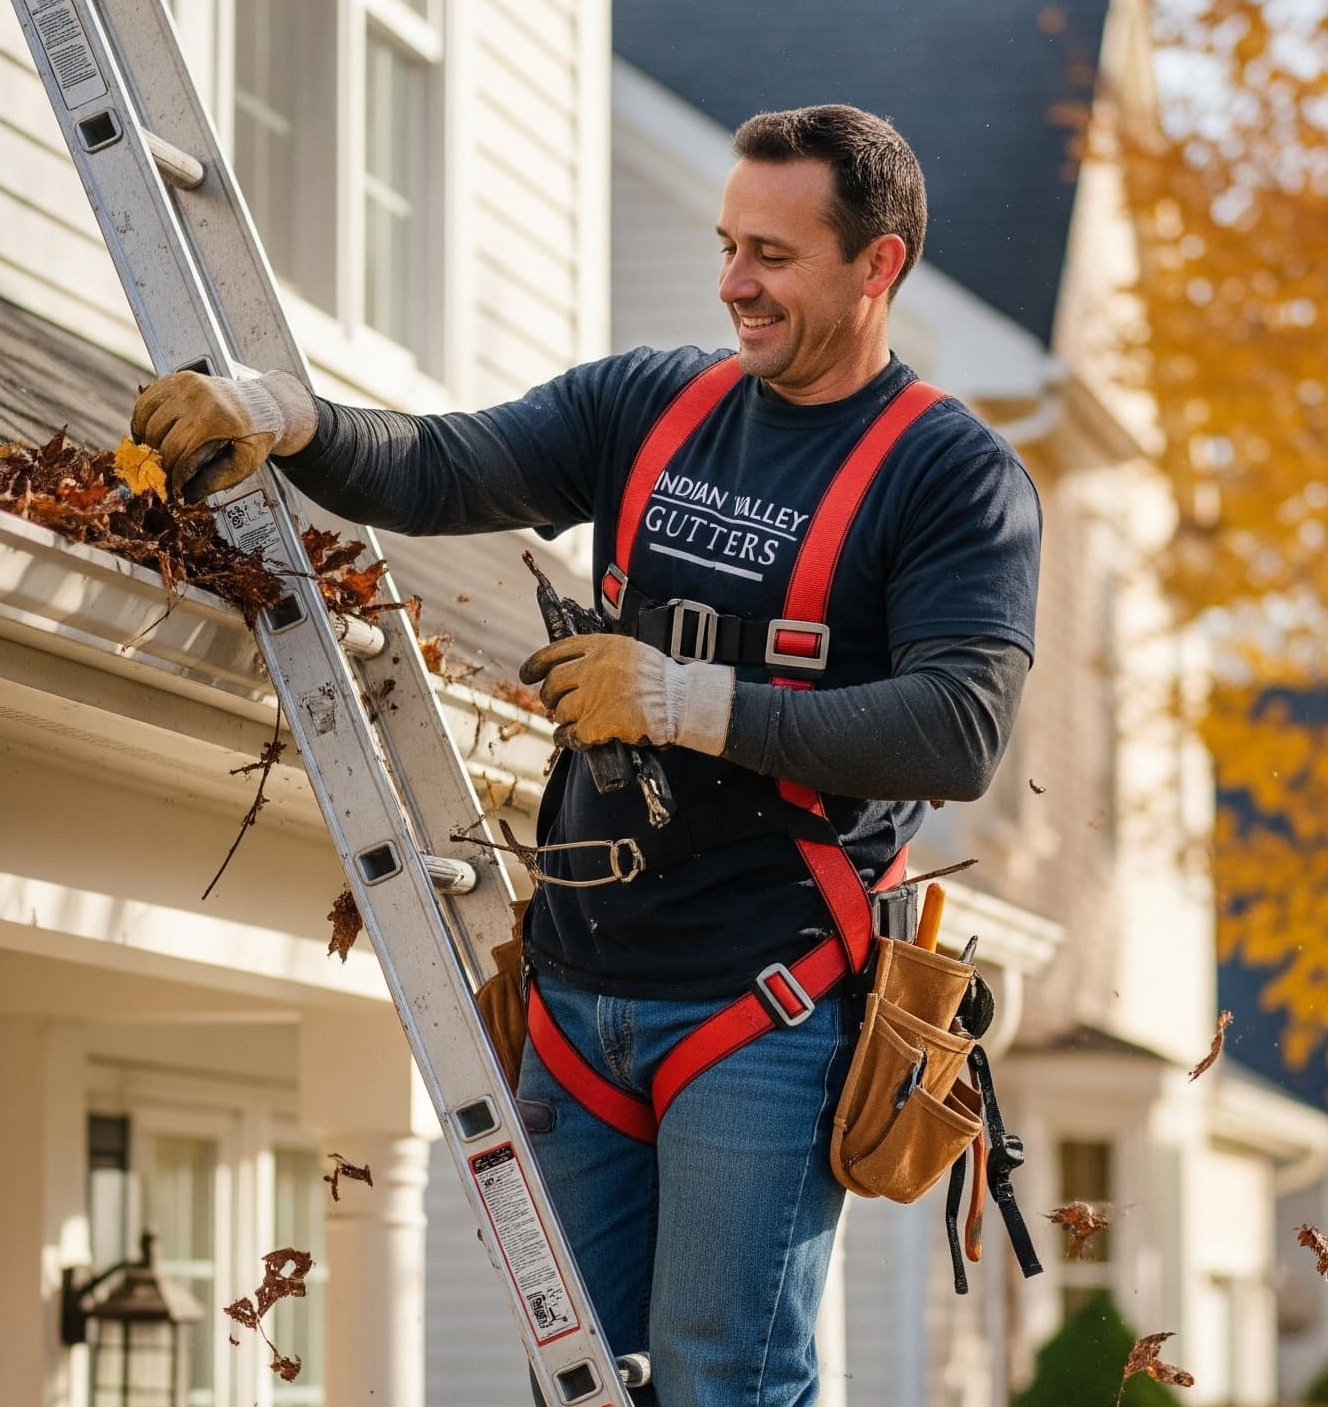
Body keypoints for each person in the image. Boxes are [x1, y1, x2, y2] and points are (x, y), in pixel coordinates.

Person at [131, 103, 1042, 1407]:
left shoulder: (950, 476)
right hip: (577, 992)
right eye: (729, 245)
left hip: (763, 1002)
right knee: (576, 1383)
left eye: (774, 256)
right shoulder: (650, 406)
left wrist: (680, 698)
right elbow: (450, 464)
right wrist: (280, 414)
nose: (736, 283)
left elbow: (957, 726)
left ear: (878, 263)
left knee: (725, 1377)